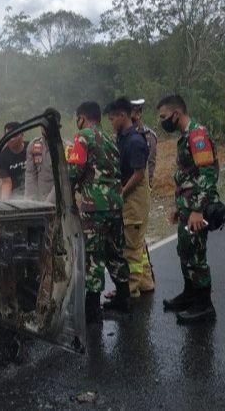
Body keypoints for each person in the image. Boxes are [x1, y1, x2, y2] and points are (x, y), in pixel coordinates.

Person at [157, 94, 219, 323]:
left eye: (164, 116)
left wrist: (197, 209)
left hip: (197, 208)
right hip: (187, 206)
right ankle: (190, 294)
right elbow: (186, 176)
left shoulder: (197, 134)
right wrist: (179, 206)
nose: (162, 121)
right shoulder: (185, 137)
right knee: (185, 251)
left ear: (176, 114)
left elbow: (207, 173)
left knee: (196, 254)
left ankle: (204, 305)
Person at [67, 101, 129, 322]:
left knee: (93, 256)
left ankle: (92, 310)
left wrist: (67, 189)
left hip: (94, 208)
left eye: (77, 119)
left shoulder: (83, 136)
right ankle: (123, 299)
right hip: (115, 205)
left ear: (82, 118)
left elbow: (74, 170)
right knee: (115, 252)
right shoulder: (110, 141)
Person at [105, 97, 155, 298]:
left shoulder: (134, 140)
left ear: (123, 116)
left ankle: (130, 289)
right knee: (138, 242)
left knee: (131, 247)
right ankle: (146, 282)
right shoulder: (122, 137)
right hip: (133, 196)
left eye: (112, 118)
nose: (111, 122)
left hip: (134, 197)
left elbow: (139, 174)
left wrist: (121, 193)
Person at [0, 122, 27, 200]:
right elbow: (6, 183)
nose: (10, 139)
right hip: (14, 193)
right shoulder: (2, 157)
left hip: (31, 190)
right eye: (8, 136)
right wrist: (6, 203)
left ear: (22, 134)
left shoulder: (31, 148)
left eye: (14, 135)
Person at [131, 99, 158, 187]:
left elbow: (151, 161)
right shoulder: (121, 135)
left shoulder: (149, 135)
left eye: (134, 112)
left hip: (141, 185)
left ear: (139, 114)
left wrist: (149, 184)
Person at [24, 132, 56, 202]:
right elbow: (30, 174)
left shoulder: (64, 147)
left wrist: (48, 202)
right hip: (40, 201)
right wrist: (30, 200)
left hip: (59, 201)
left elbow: (62, 180)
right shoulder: (33, 145)